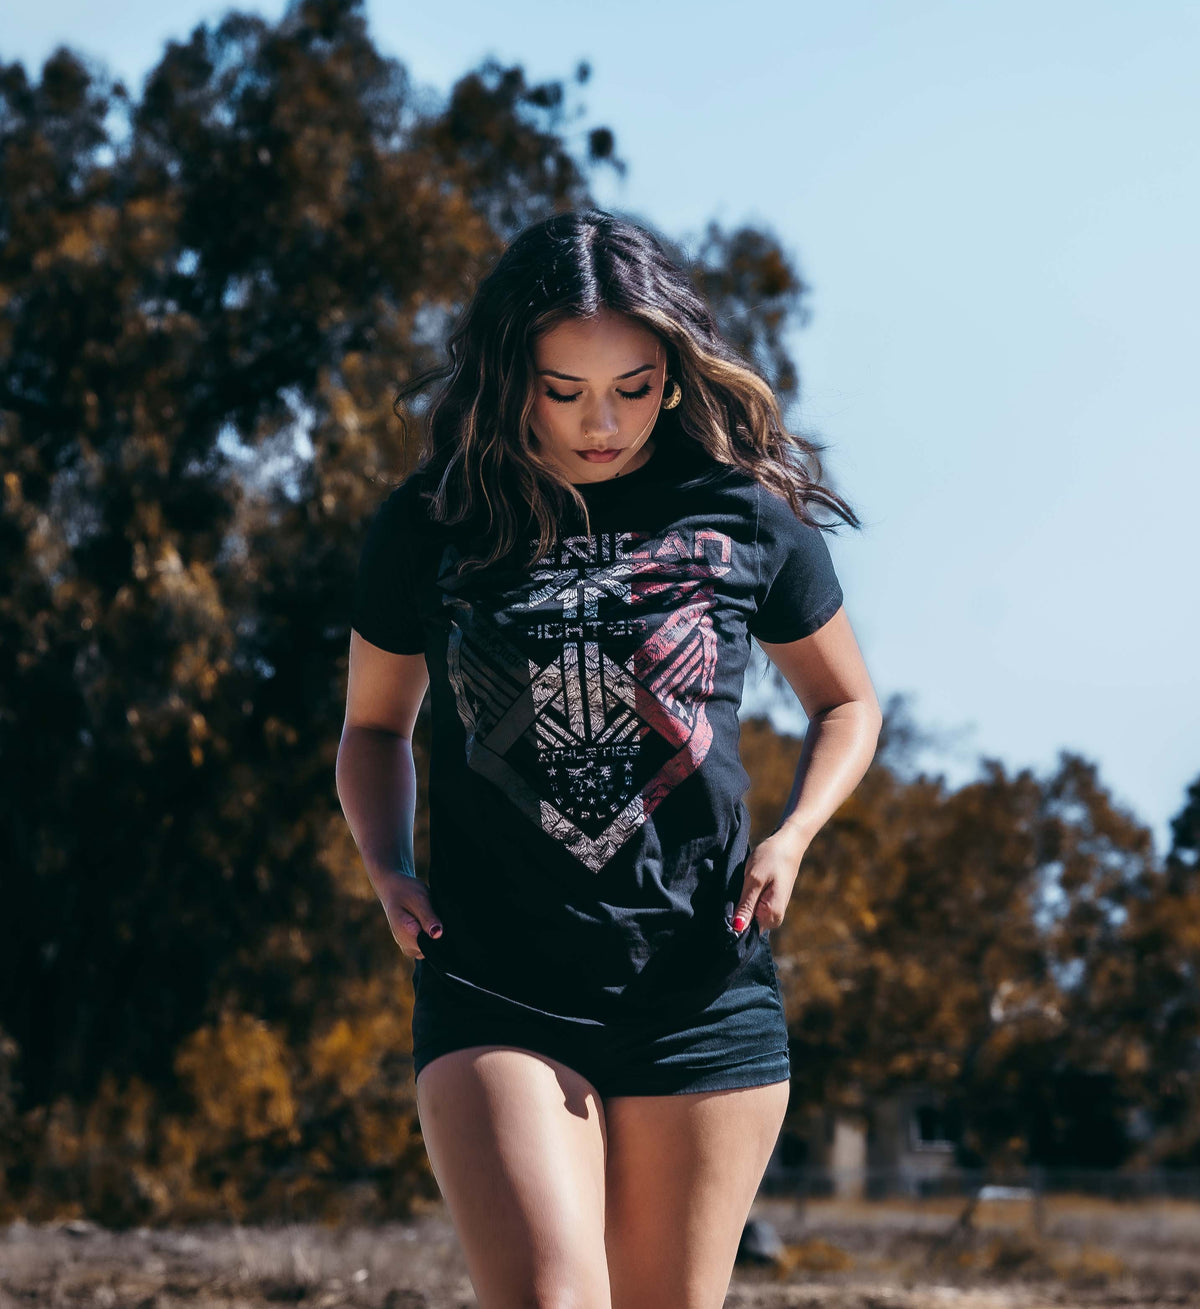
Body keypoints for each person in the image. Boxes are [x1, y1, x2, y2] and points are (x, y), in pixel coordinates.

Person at [336, 209, 882, 1309]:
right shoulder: (434, 523)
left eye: (633, 387)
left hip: (703, 991)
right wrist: (388, 864)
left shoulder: (743, 515)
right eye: (565, 389)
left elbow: (846, 703)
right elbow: (374, 728)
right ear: (511, 378)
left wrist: (794, 834)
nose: (602, 423)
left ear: (674, 373)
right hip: (496, 983)